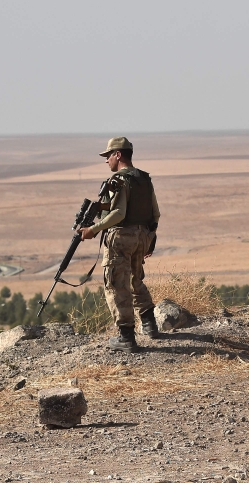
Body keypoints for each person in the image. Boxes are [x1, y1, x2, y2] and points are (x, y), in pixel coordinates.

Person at [79, 137, 161, 352]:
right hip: (142, 236)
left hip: (121, 238)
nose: (106, 161)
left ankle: (126, 337)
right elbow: (156, 213)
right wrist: (148, 240)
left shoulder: (119, 180)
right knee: (136, 279)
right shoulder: (144, 179)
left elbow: (119, 213)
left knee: (116, 285)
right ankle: (150, 325)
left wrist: (93, 230)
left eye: (108, 156)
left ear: (118, 155)